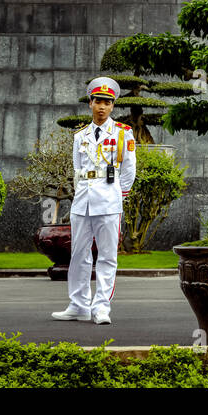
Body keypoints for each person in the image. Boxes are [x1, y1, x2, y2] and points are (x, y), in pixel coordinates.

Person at [51, 76, 136, 325]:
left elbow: (129, 170)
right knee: (78, 254)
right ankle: (78, 305)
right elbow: (77, 170)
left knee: (107, 256)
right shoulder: (81, 136)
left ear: (112, 106)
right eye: (98, 101)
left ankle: (101, 307)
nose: (102, 107)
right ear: (90, 103)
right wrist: (80, 195)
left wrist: (119, 195)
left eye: (107, 103)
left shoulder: (123, 133)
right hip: (83, 201)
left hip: (109, 201)